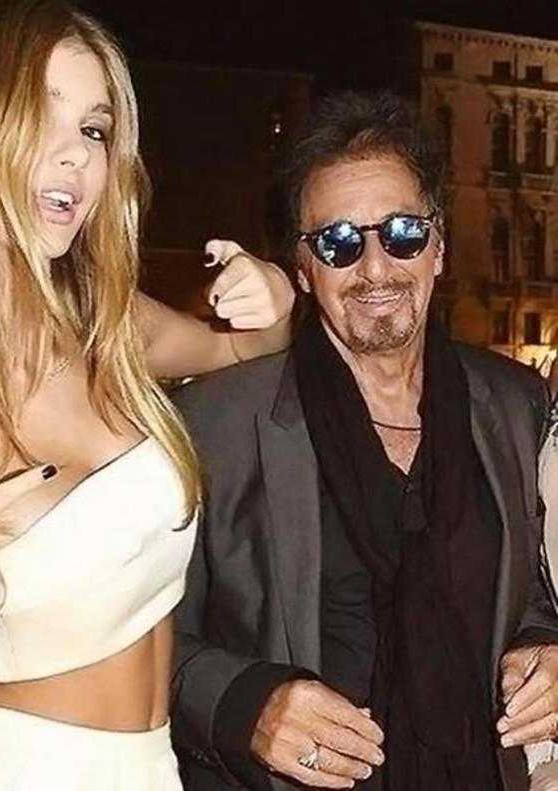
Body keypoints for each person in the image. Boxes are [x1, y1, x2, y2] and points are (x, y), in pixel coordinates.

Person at [0, 2, 295, 789]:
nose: (76, 155)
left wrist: (270, 291)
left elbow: (246, 347)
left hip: (158, 767)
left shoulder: (111, 328)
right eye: (40, 115)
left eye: (95, 129)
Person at [170, 90, 558, 791]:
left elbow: (527, 587)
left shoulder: (512, 402)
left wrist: (543, 649)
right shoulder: (214, 422)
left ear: (439, 247)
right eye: (339, 243)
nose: (375, 269)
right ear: (301, 267)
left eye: (403, 232)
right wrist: (242, 704)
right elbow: (131, 635)